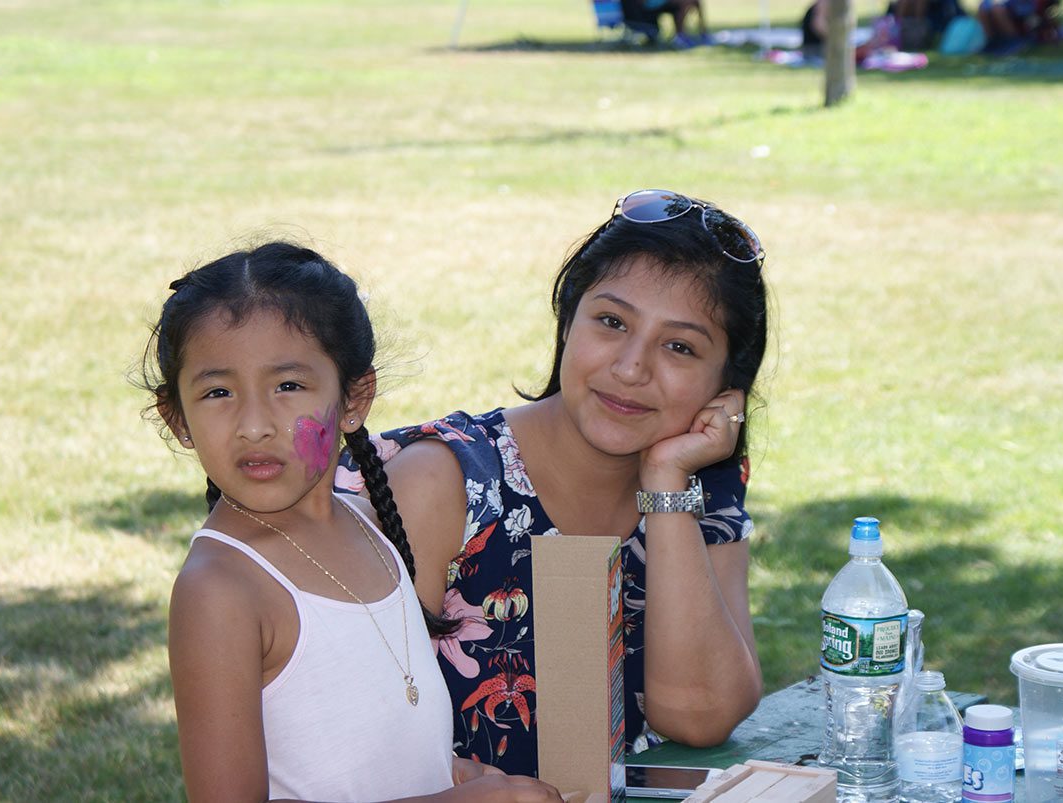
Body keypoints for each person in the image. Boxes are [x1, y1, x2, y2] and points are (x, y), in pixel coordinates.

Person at [336, 190, 769, 777]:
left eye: (679, 346)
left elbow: (700, 717)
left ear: (726, 388)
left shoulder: (698, 486)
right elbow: (346, 741)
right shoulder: (443, 483)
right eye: (611, 322)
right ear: (568, 321)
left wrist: (666, 486)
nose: (631, 368)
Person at [142, 242, 561, 802]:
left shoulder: (370, 526)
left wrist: (452, 771)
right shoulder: (220, 591)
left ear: (352, 401)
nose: (254, 425)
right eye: (218, 392)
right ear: (180, 421)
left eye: (287, 386)